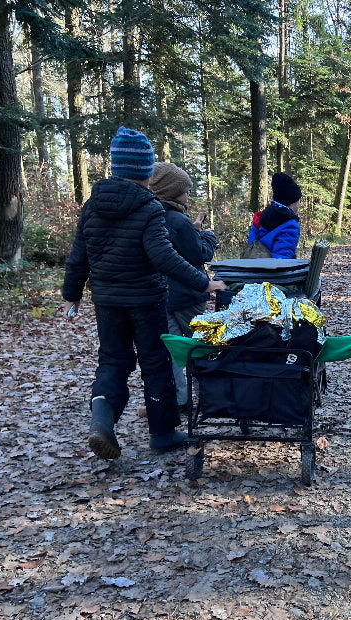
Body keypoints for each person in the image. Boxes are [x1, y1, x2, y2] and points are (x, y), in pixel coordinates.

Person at [61, 127, 226, 460]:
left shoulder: (92, 205)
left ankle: (102, 421)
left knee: (112, 361)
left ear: (116, 167)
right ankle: (163, 433)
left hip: (107, 301)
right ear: (146, 171)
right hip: (146, 299)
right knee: (156, 364)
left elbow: (79, 253)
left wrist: (72, 293)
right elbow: (163, 256)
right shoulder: (148, 206)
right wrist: (203, 283)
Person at [149, 161, 218, 410]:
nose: (188, 195)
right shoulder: (178, 220)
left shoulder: (153, 217)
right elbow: (200, 254)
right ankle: (209, 399)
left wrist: (195, 229)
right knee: (199, 346)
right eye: (185, 190)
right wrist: (207, 234)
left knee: (174, 351)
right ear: (171, 192)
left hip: (163, 295)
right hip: (189, 296)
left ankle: (181, 399)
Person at [248, 172, 302, 259]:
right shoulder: (291, 226)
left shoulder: (260, 218)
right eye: (299, 201)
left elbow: (251, 246)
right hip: (270, 272)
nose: (299, 205)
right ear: (292, 202)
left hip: (252, 270)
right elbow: (282, 262)